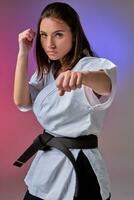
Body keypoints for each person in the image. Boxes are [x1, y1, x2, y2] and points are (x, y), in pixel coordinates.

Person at [13, 2, 117, 200]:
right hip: (47, 160)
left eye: (58, 35)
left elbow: (106, 83)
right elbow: (21, 101)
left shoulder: (91, 66)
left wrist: (83, 76)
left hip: (80, 166)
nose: (49, 44)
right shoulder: (48, 71)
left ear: (74, 35)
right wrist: (23, 52)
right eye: (44, 35)